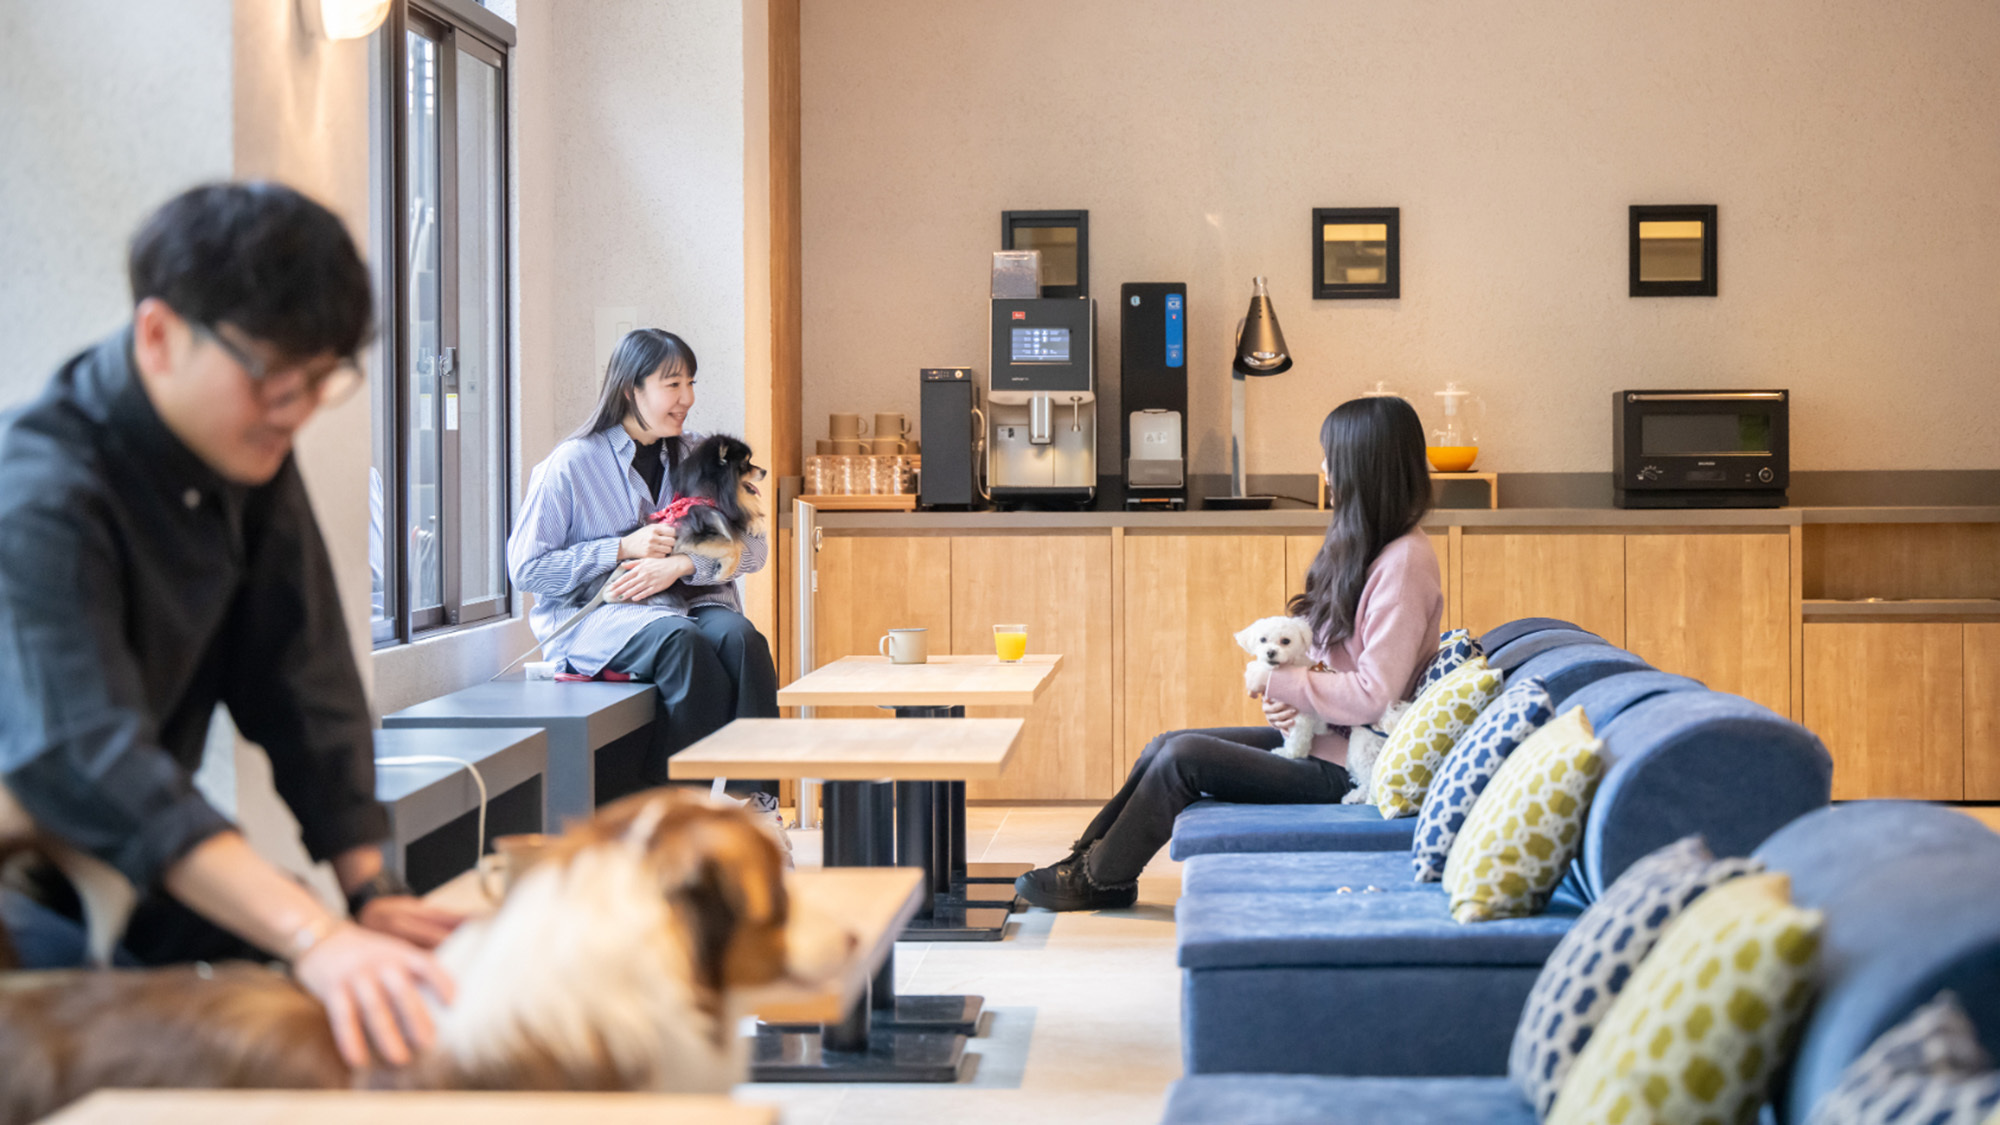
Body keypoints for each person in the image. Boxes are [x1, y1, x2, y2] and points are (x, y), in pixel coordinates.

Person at [0, 182, 459, 1066]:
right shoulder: (39, 495)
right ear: (160, 334)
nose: (293, 411)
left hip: (123, 855)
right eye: (270, 379)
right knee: (141, 1050)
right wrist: (311, 932)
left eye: (319, 380)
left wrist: (369, 892)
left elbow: (304, 676)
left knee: (345, 1011)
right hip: (30, 869)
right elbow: (87, 756)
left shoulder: (244, 455)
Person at [1014, 395, 1445, 911]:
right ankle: (1089, 861)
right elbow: (1327, 657)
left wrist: (1284, 687)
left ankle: (1099, 879)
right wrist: (1290, 694)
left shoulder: (1405, 563)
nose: (1324, 468)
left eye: (1331, 456)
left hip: (1350, 766)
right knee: (1167, 743)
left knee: (1183, 758)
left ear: (1363, 466)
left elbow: (1375, 694)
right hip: (1325, 739)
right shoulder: (1368, 546)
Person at [507, 329, 779, 796]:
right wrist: (620, 548)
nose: (687, 398)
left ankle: (752, 801)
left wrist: (684, 565)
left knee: (742, 640)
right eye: (673, 385)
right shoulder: (571, 465)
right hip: (599, 617)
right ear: (632, 388)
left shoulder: (705, 457)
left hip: (690, 603)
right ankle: (679, 807)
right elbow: (528, 570)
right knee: (681, 642)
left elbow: (755, 550)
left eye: (691, 383)